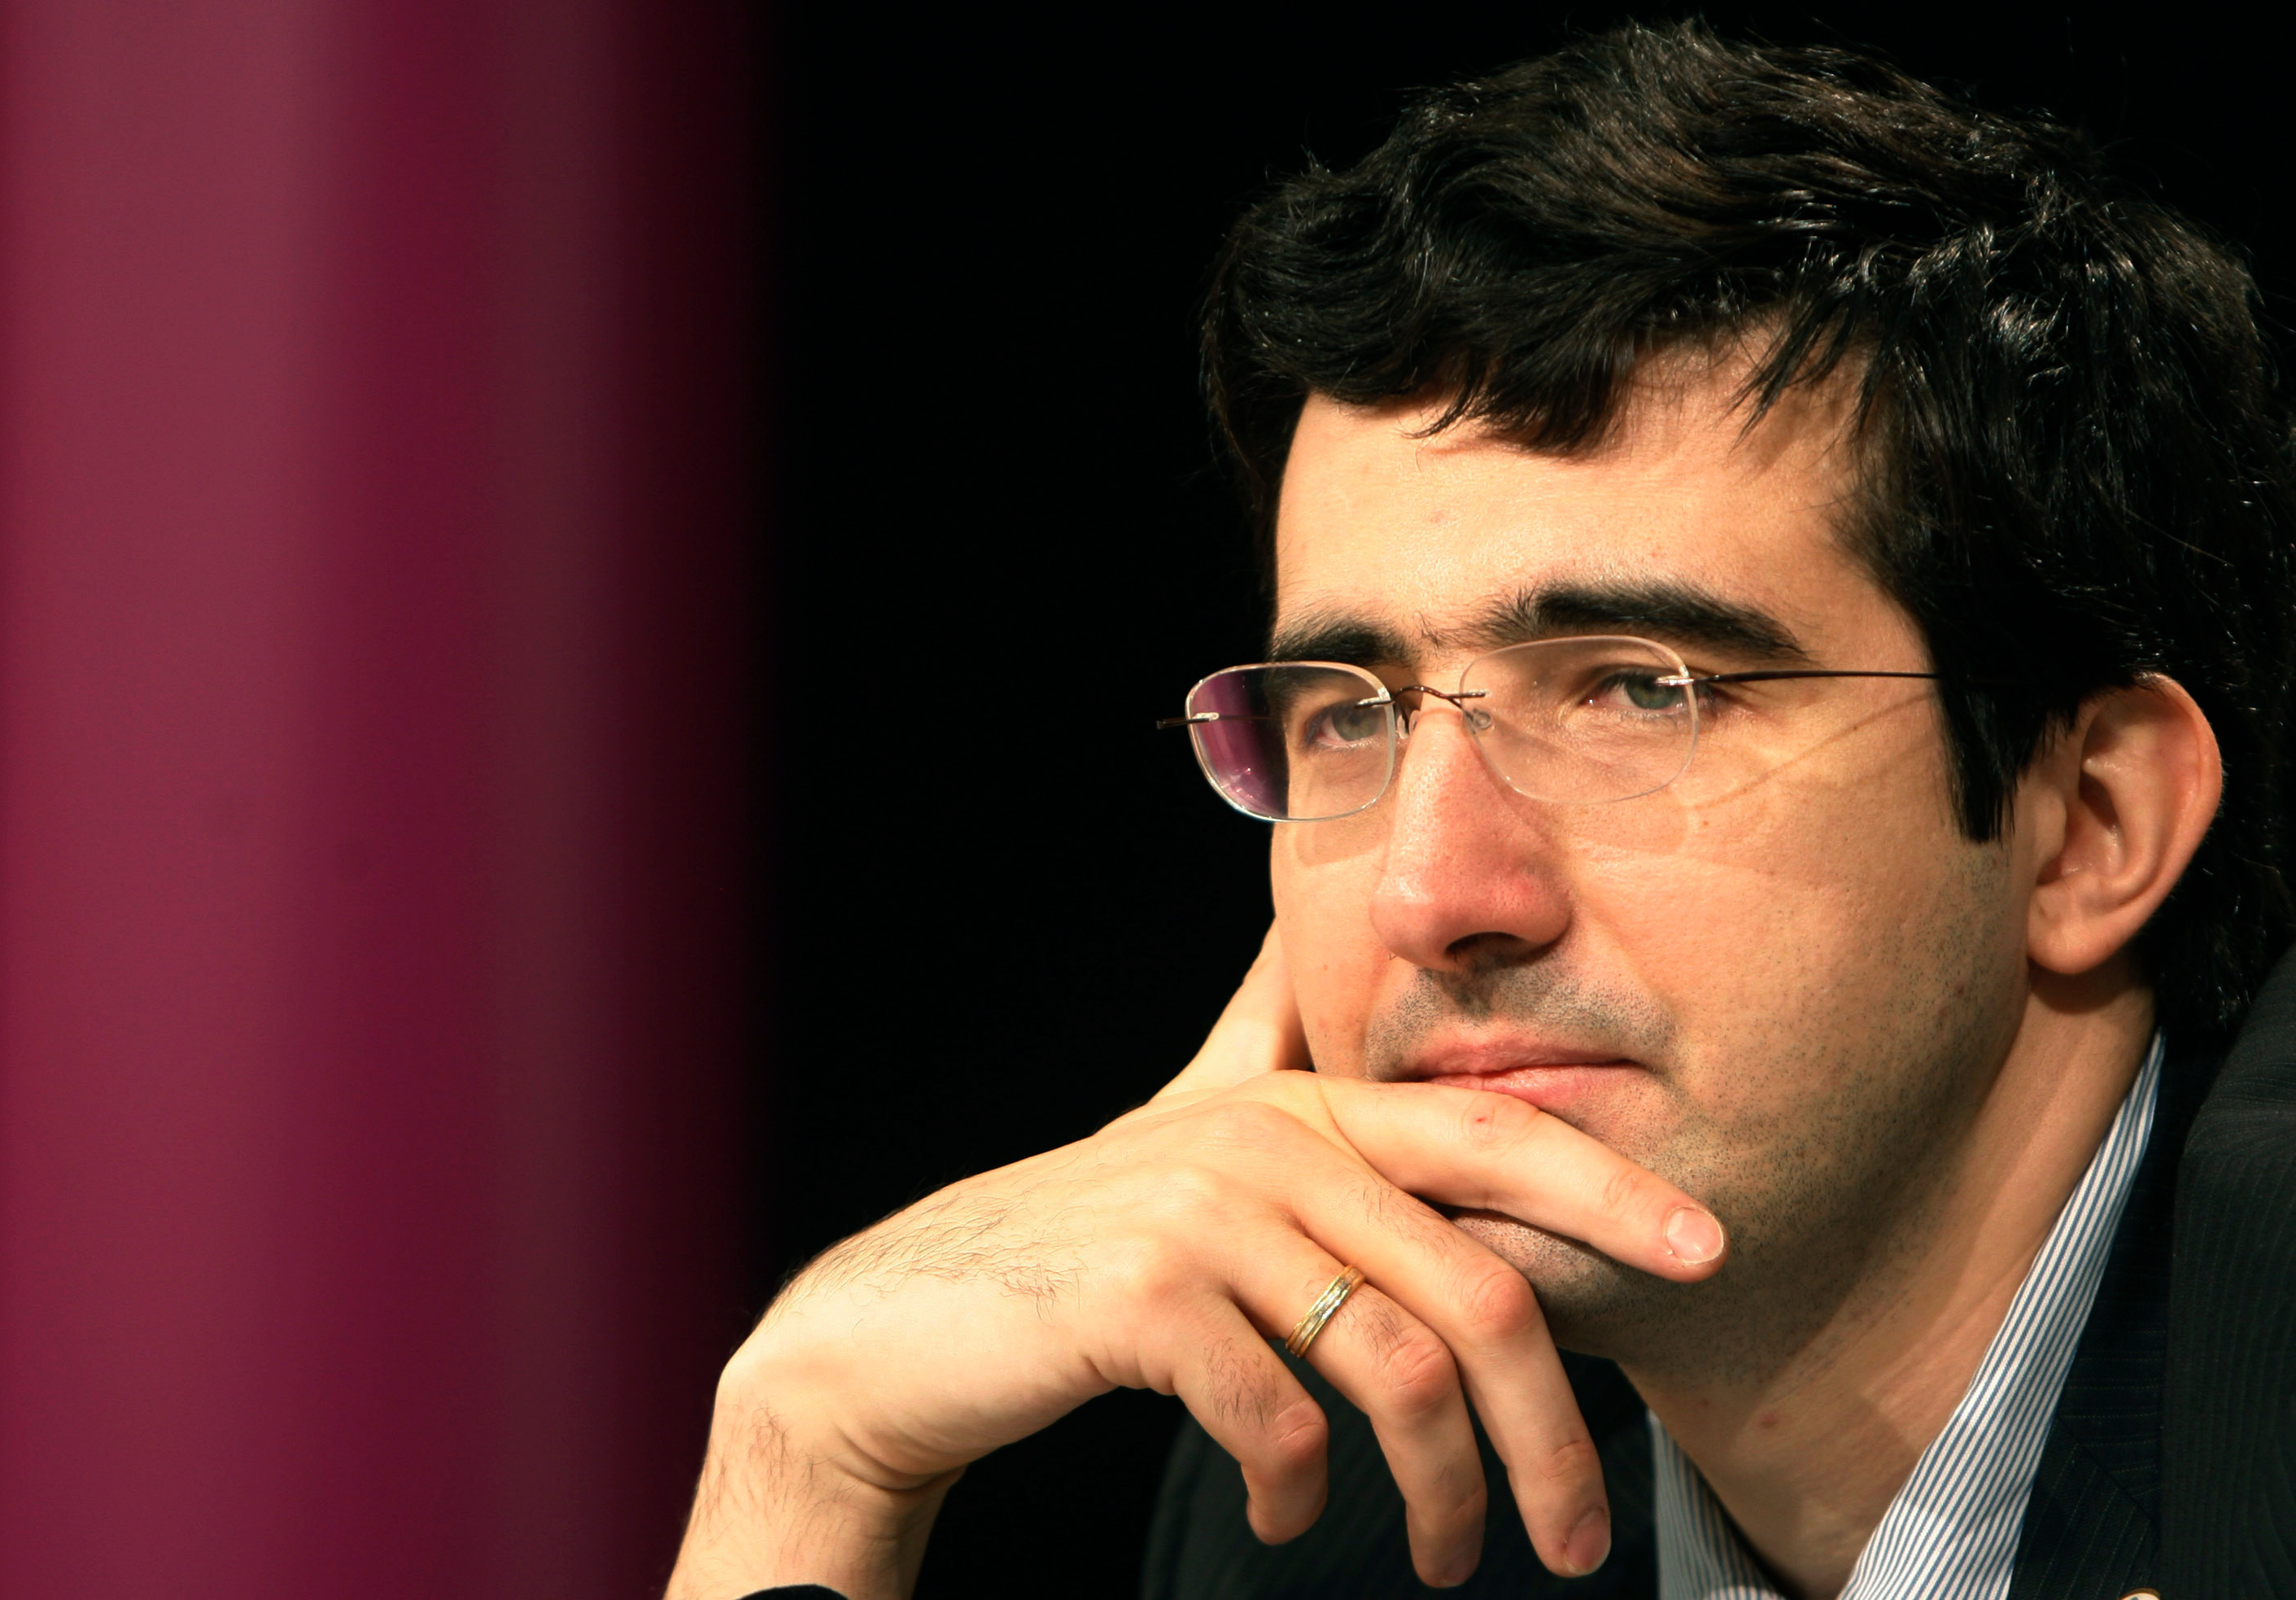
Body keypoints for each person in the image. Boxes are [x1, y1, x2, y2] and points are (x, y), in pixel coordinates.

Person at [670, 22, 2296, 1599]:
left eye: (1637, 689)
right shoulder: (1342, 1486)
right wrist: (808, 1454)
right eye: (1345, 716)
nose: (1431, 893)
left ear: (2088, 823)